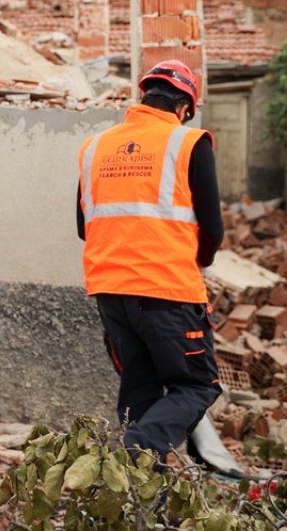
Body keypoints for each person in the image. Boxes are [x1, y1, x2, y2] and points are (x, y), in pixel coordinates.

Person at [76, 59, 225, 467]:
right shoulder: (189, 142)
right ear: (184, 108)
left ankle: (141, 505)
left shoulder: (94, 147)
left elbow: (83, 226)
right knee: (197, 387)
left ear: (143, 97)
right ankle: (133, 451)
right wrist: (199, 263)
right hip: (168, 292)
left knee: (140, 388)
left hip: (110, 293)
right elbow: (213, 228)